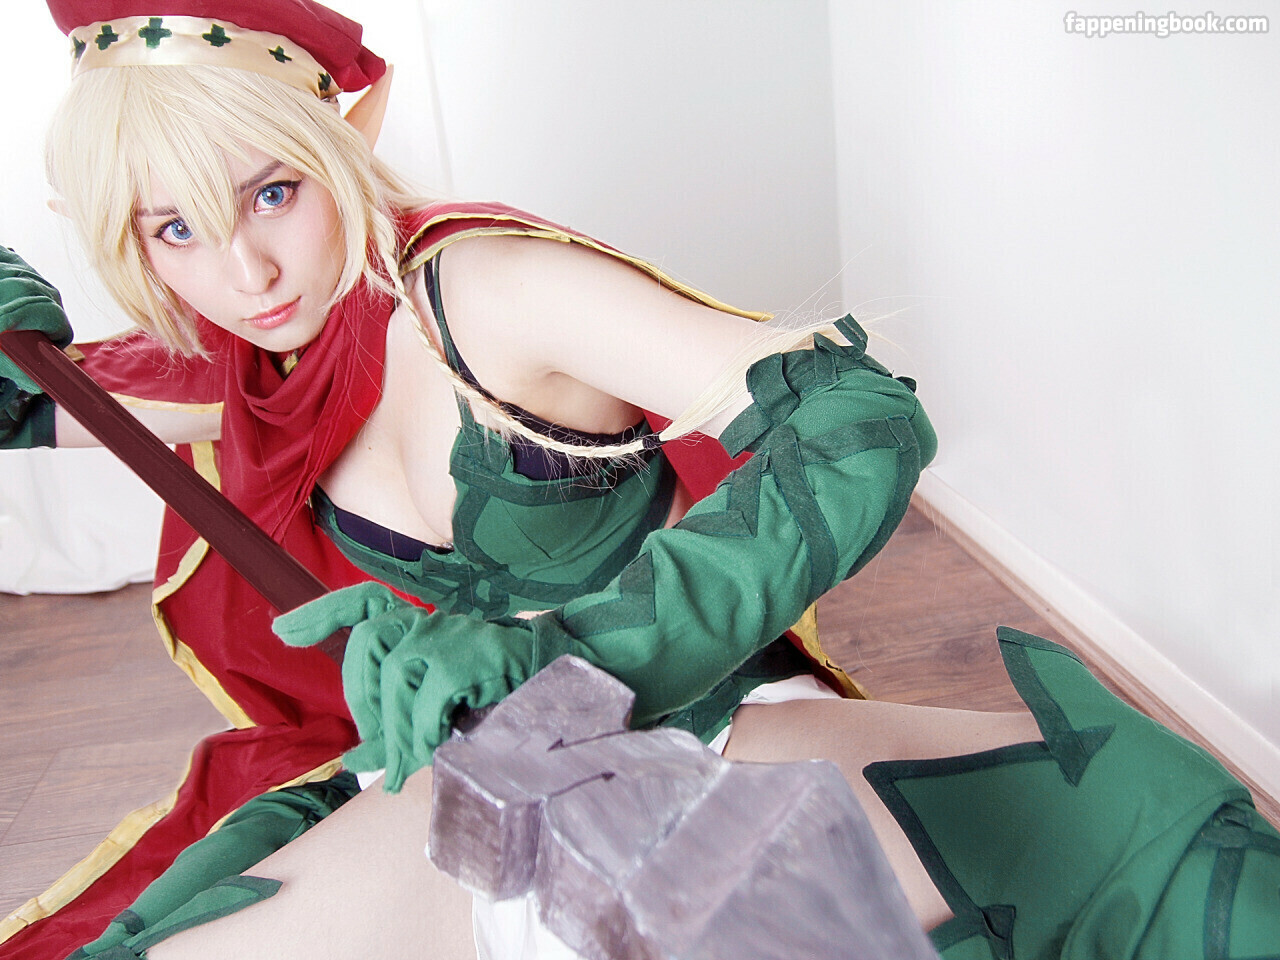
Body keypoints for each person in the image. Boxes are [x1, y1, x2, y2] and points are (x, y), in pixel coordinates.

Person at [0, 2, 1275, 959]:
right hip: (450, 782)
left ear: (332, 149)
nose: (247, 273)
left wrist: (580, 654)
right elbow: (60, 402)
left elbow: (854, 417)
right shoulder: (248, 367)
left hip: (693, 734)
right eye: (175, 228)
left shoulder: (485, 291)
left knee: (1170, 870)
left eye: (272, 193)